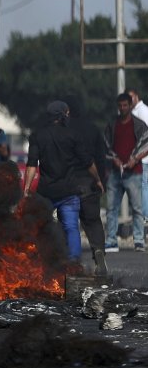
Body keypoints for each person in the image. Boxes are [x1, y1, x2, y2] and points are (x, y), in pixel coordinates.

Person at [23, 101, 104, 272]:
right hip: (68, 192)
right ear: (62, 115)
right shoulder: (72, 135)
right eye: (66, 113)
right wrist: (97, 179)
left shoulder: (38, 136)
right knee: (71, 227)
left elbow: (31, 164)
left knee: (41, 227)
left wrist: (27, 189)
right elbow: (88, 161)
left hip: (46, 193)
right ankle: (74, 264)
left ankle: (40, 263)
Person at [62, 95, 109, 277]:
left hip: (70, 182)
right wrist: (101, 182)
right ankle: (98, 253)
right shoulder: (93, 129)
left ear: (68, 111)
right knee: (93, 221)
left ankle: (71, 261)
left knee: (69, 223)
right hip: (90, 181)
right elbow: (101, 158)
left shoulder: (64, 129)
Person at [104, 93, 148, 252]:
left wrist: (135, 159)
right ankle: (110, 240)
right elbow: (106, 145)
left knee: (136, 208)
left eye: (125, 105)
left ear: (130, 106)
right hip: (115, 172)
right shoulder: (112, 125)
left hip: (134, 172)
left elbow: (146, 144)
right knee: (111, 208)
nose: (122, 108)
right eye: (120, 106)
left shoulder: (139, 125)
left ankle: (138, 240)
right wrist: (113, 159)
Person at [127, 87, 148, 225]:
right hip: (135, 159)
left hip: (143, 158)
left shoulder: (143, 111)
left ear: (137, 96)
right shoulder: (133, 112)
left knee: (143, 186)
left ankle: (145, 216)